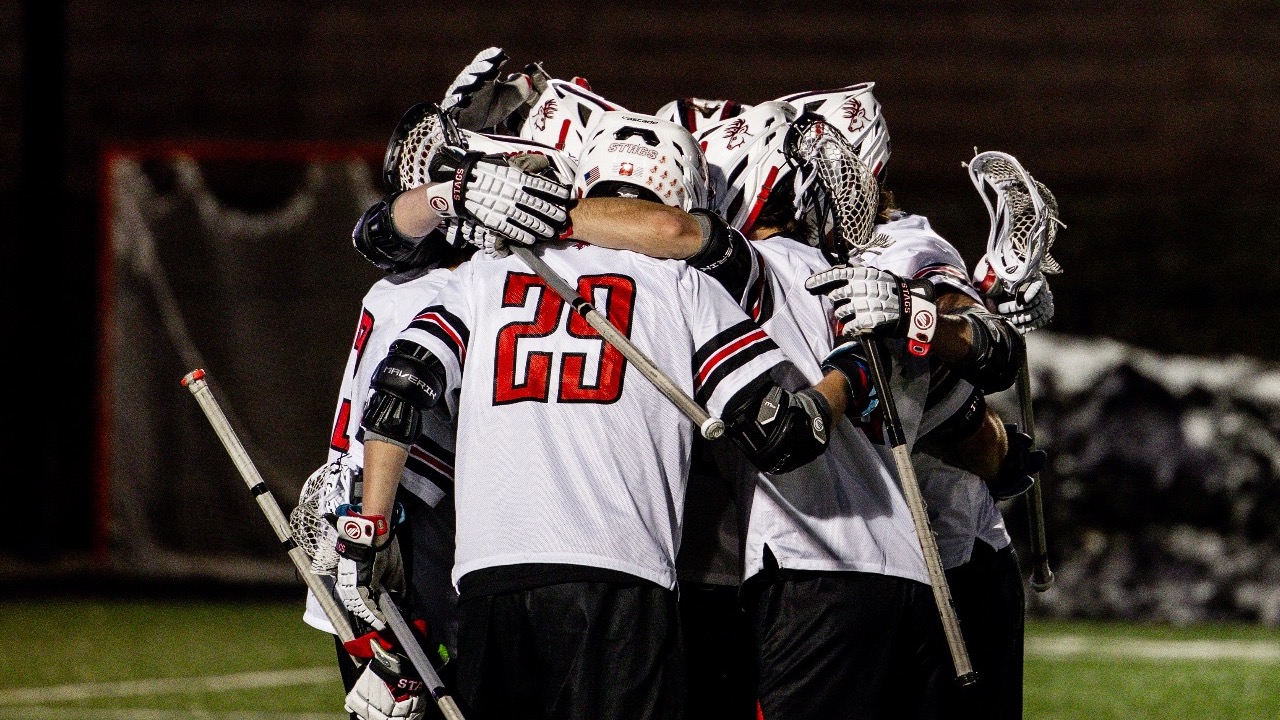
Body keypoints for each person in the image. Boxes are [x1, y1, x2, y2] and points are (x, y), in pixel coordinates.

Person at [343, 111, 849, 720]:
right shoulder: (683, 285)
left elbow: (400, 385)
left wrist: (371, 521)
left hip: (489, 578)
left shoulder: (487, 271)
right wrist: (855, 372)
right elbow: (782, 434)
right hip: (622, 579)